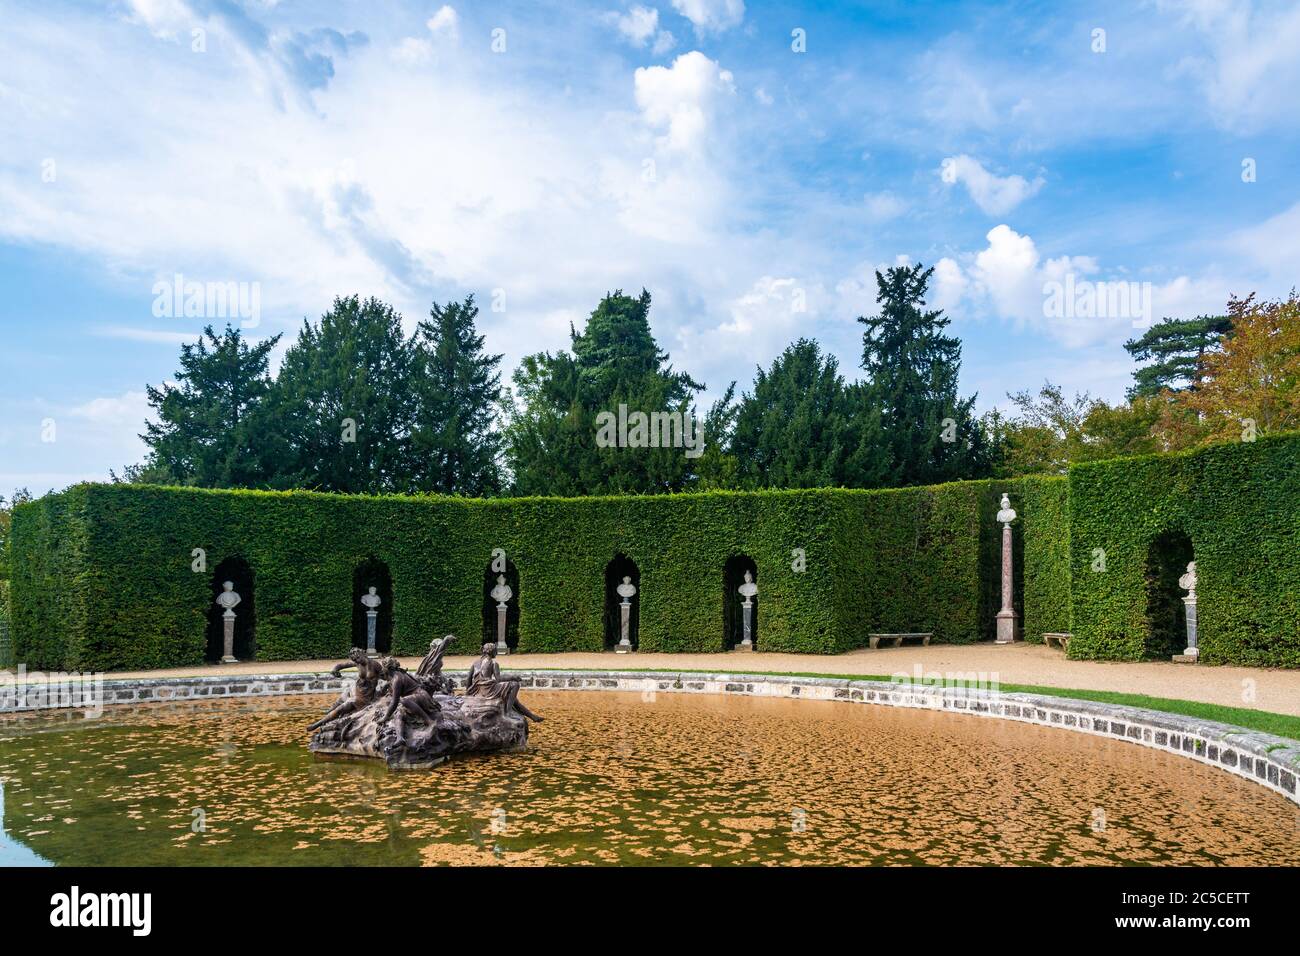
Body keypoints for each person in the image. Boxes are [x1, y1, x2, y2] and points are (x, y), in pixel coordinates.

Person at [307, 648, 384, 732]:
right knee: (345, 693)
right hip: (358, 689)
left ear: (363, 654)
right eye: (354, 660)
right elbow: (340, 666)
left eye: (358, 658)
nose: (357, 661)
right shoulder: (357, 663)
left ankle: (318, 723)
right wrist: (335, 670)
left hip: (366, 697)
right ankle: (330, 711)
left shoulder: (374, 665)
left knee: (344, 705)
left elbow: (386, 676)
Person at [465, 642, 543, 723]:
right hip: (489, 691)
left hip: (479, 690)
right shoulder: (493, 663)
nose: (497, 653)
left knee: (513, 699)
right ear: (492, 652)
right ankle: (508, 712)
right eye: (496, 651)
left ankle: (533, 717)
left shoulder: (475, 663)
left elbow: (469, 678)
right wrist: (513, 677)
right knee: (515, 685)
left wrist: (468, 692)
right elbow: (498, 678)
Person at [379, 657, 443, 746]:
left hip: (420, 697)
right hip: (412, 701)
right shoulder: (397, 676)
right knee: (398, 715)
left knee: (404, 701)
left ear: (387, 668)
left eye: (383, 667)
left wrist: (386, 716)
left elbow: (395, 701)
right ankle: (400, 738)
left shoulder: (397, 679)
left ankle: (429, 721)